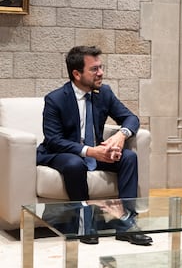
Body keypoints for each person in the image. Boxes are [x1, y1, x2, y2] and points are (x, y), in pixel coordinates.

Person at [36, 45, 152, 246]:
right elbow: (54, 139)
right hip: (61, 153)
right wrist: (90, 151)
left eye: (101, 67)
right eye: (94, 69)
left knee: (129, 157)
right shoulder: (55, 99)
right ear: (77, 73)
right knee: (74, 164)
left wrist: (121, 136)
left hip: (94, 152)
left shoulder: (103, 93)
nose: (101, 73)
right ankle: (84, 223)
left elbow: (131, 118)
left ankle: (126, 225)